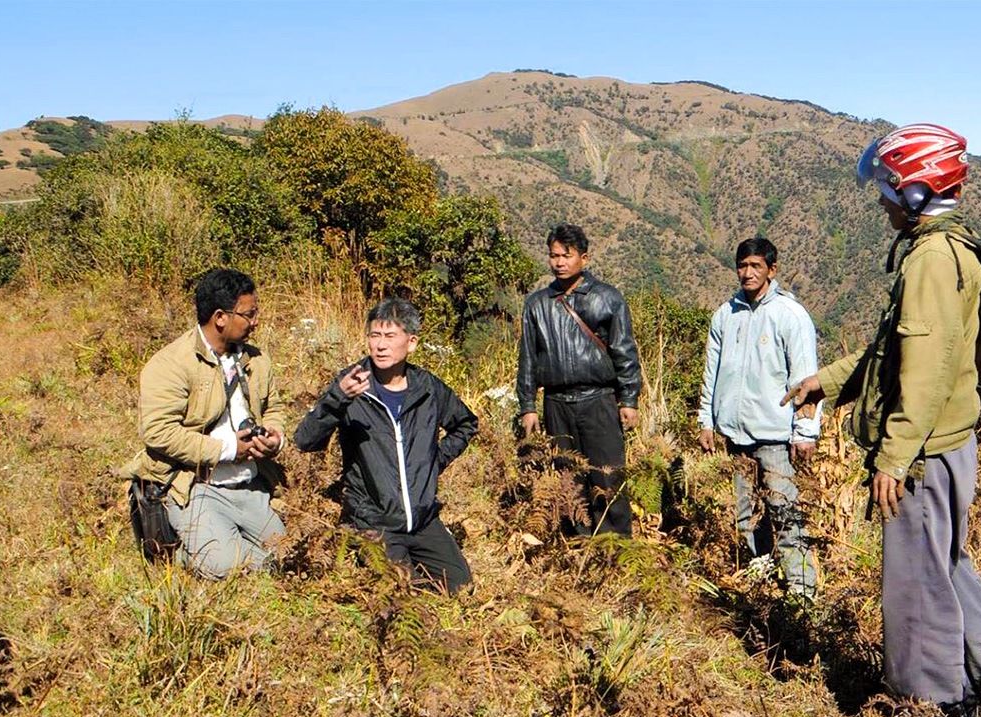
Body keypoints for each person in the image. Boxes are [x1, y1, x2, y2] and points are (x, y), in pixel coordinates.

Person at [783, 124, 981, 717]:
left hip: (923, 453)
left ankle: (931, 702)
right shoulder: (948, 249)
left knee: (916, 586)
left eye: (889, 187)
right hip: (945, 445)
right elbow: (895, 352)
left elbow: (929, 370)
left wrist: (894, 456)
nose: (882, 199)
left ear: (916, 190)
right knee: (948, 566)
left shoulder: (931, 260)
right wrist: (829, 383)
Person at [294, 298, 476, 593]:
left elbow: (466, 423)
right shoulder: (352, 384)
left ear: (412, 342)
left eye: (390, 336)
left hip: (422, 520)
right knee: (400, 589)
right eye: (374, 336)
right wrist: (338, 398)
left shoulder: (427, 388)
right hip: (374, 521)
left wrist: (434, 462)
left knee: (460, 586)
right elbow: (305, 440)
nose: (380, 345)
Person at [123, 268, 286, 580]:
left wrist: (275, 438)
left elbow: (274, 408)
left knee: (287, 553)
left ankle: (222, 544)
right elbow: (158, 432)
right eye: (249, 314)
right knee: (227, 567)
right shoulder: (170, 364)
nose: (256, 321)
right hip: (196, 486)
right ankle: (178, 549)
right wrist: (227, 448)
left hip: (251, 484)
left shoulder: (257, 360)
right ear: (220, 317)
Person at [697, 236, 822, 597]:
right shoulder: (726, 314)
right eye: (742, 265)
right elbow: (712, 372)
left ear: (772, 269)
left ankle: (801, 591)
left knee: (784, 514)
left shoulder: (789, 315)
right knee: (746, 516)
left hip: (775, 435)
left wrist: (805, 431)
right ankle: (761, 581)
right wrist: (707, 420)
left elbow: (806, 378)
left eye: (755, 266)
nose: (747, 273)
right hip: (735, 434)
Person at [517, 224, 643, 536]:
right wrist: (528, 405)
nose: (559, 262)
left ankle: (617, 549)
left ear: (584, 258)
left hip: (598, 400)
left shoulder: (607, 298)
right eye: (553, 256)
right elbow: (528, 358)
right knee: (568, 482)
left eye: (566, 256)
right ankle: (577, 549)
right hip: (557, 403)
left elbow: (624, 351)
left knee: (608, 477)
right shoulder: (537, 304)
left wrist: (628, 399)